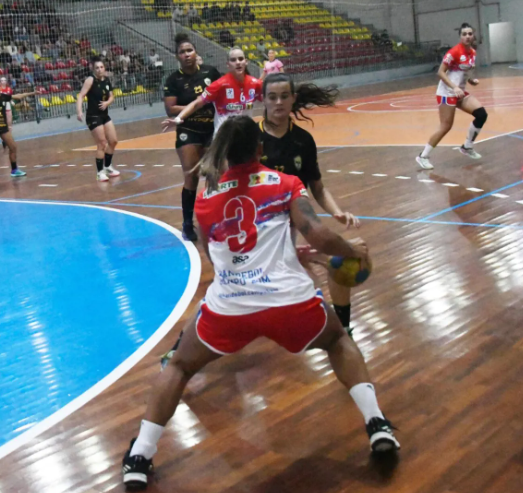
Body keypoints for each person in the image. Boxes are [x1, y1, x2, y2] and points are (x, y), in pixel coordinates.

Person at [121, 116, 399, 490]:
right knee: (337, 341)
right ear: (260, 149)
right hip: (290, 304)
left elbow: (216, 254)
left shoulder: (205, 197)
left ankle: (141, 455)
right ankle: (376, 423)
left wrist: (280, 257)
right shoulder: (286, 184)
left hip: (231, 306)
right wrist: (351, 250)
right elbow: (317, 233)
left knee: (180, 366)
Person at [257, 73, 360, 335]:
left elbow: (318, 187)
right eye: (272, 97)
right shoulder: (249, 140)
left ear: (293, 99)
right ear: (263, 100)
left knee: (340, 260)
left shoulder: (303, 140)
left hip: (296, 223)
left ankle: (343, 327)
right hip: (259, 229)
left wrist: (337, 213)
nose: (278, 102)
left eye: (284, 96)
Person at [162, 33, 222, 241]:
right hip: (189, 131)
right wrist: (199, 103)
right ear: (177, 56)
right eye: (182, 52)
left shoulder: (210, 72)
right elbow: (170, 109)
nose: (187, 55)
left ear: (196, 53)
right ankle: (188, 223)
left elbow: (224, 92)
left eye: (189, 50)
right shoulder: (173, 80)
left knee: (214, 176)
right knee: (191, 175)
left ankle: (212, 219)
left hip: (212, 131)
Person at [416, 22, 488, 170]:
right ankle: (422, 156)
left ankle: (467, 147)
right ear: (460, 36)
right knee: (446, 126)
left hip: (460, 92)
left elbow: (466, 72)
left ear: (473, 35)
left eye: (470, 34)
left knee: (481, 114)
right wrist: (454, 87)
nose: (467, 37)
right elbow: (440, 72)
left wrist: (470, 80)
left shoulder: (472, 53)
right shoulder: (454, 52)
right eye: (464, 34)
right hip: (446, 93)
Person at [162, 47, 261, 135]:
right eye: (233, 60)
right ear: (228, 64)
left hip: (246, 135)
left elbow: (269, 101)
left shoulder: (255, 84)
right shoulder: (219, 84)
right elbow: (197, 103)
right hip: (224, 138)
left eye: (241, 59)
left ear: (246, 62)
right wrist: (179, 118)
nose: (238, 62)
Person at [0, 77, 33, 183]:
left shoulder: (3, 97)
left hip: (3, 127)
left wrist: (32, 93)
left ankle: (14, 170)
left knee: (13, 147)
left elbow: (17, 96)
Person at [76, 58, 120, 182]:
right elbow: (81, 95)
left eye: (101, 67)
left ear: (104, 68)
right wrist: (79, 111)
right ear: (93, 69)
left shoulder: (106, 80)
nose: (99, 69)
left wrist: (107, 103)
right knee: (102, 143)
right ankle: (100, 172)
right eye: (97, 68)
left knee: (113, 141)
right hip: (93, 116)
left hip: (104, 115)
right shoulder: (90, 80)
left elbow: (112, 96)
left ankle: (108, 167)